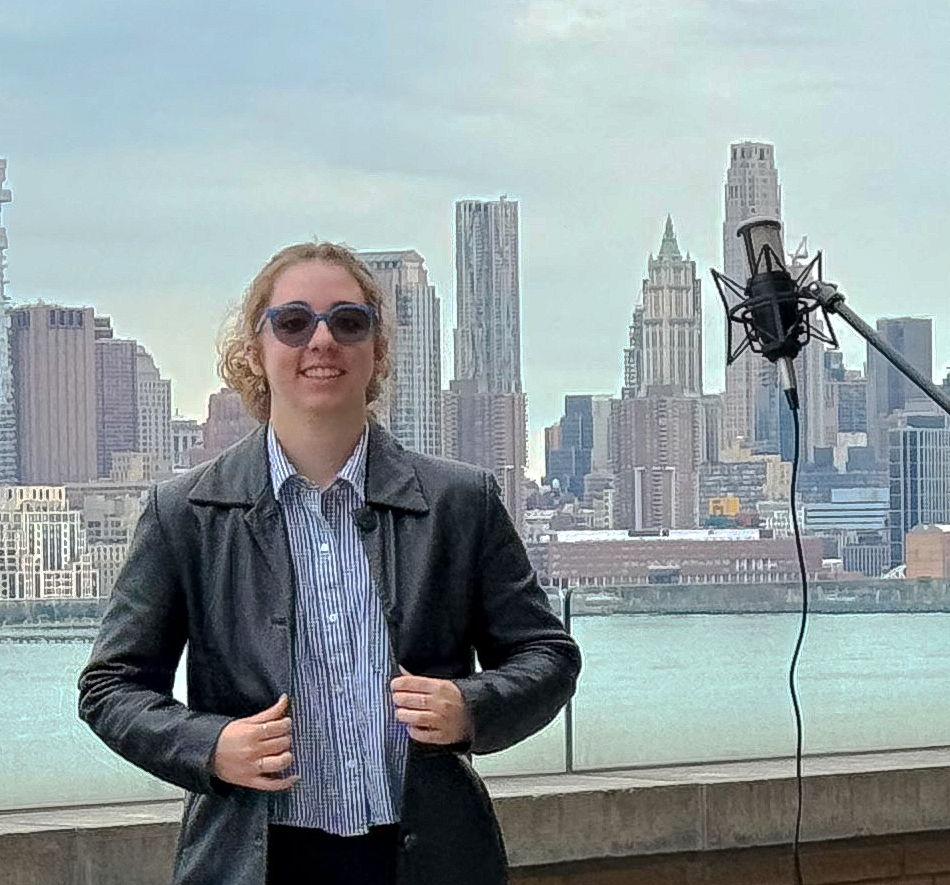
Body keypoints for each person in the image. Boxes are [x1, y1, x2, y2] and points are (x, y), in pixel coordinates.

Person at [78, 240, 580, 885]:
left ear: (376, 350)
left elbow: (547, 655)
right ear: (256, 350)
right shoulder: (187, 513)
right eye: (293, 321)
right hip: (253, 860)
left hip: (429, 858)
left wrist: (469, 706)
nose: (322, 341)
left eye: (348, 321)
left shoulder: (460, 502)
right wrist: (210, 746)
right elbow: (110, 687)